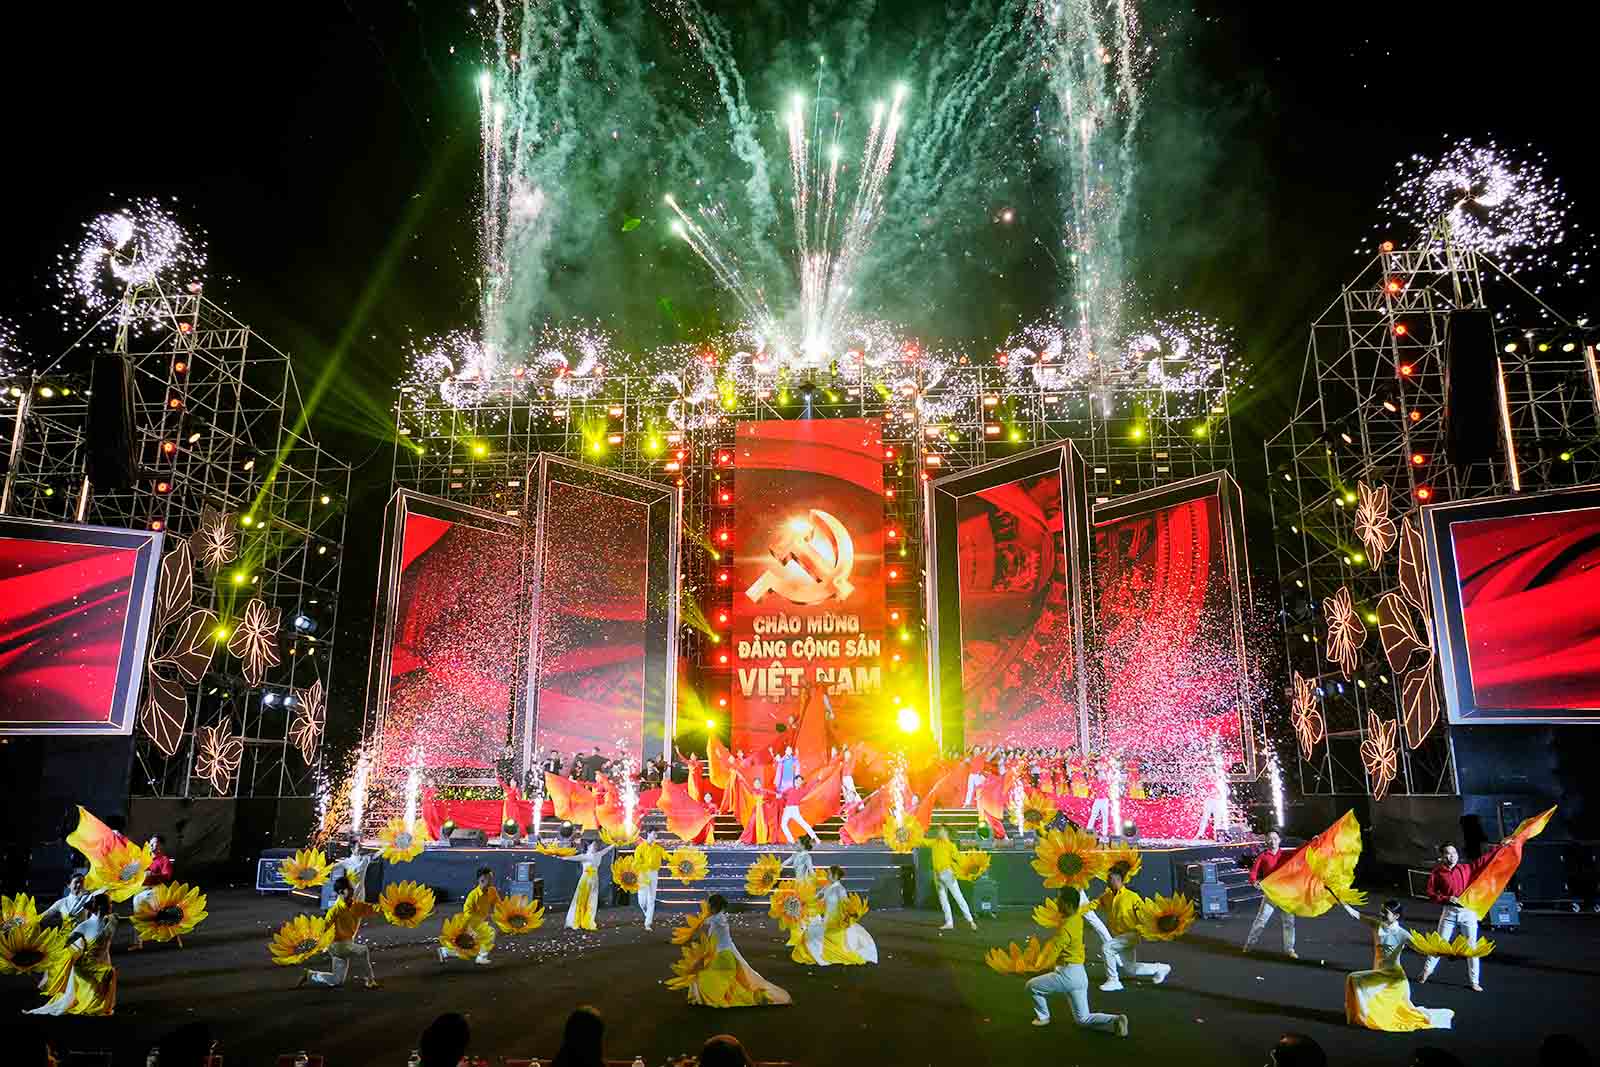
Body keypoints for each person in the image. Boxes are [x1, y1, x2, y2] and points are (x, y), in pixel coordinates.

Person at [1025, 887, 1129, 1037]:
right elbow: (1087, 907)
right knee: (1083, 1019)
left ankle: (1043, 1017)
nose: (1057, 902)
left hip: (1066, 975)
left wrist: (1034, 967)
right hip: (1079, 975)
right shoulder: (1077, 916)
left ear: (1067, 905)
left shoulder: (1065, 929)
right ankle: (1116, 1020)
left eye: (1059, 900)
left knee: (1031, 986)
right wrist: (1099, 900)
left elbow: (1052, 953)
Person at [1341, 898, 1452, 1031]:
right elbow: (1357, 915)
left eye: (1385, 912)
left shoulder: (1402, 934)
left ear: (1396, 916)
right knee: (1354, 980)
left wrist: (1447, 953)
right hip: (1379, 972)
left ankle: (1364, 1016)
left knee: (1354, 978)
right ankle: (1361, 1015)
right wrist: (1341, 900)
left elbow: (1422, 949)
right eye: (1381, 911)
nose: (1381, 914)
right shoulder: (1377, 925)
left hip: (1393, 976)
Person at [675, 893, 792, 1007]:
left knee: (700, 975)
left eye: (709, 906)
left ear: (714, 907)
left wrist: (695, 927)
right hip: (724, 956)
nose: (707, 908)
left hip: (722, 957)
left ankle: (703, 998)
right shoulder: (718, 918)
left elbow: (706, 923)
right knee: (716, 979)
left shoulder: (718, 919)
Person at [1419, 841, 1495, 991]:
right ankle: (1427, 971)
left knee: (1472, 948)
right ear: (1442, 857)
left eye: (1454, 853)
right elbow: (1430, 893)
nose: (1452, 856)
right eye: (1448, 853)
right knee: (1439, 943)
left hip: (1468, 912)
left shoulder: (1466, 868)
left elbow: (1483, 860)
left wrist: (1501, 847)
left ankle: (1474, 981)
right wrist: (1447, 898)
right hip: (1449, 912)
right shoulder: (1437, 873)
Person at [1084, 862, 1171, 991]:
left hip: (1131, 934)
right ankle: (1161, 968)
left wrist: (1152, 926)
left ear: (1118, 879)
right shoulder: (1107, 896)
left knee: (1107, 948)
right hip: (1120, 936)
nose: (1107, 881)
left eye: (1110, 878)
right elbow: (1094, 904)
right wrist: (1077, 911)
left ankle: (1113, 980)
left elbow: (1144, 912)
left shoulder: (1131, 896)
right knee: (1131, 968)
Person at [28, 892, 118, 1015]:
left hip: (102, 962)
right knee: (108, 972)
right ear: (100, 906)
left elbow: (132, 920)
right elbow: (64, 943)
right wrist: (40, 952)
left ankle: (96, 1004)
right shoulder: (85, 926)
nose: (111, 906)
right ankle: (93, 1005)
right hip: (85, 965)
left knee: (108, 973)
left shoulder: (112, 920)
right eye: (109, 903)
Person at [299, 875, 380, 989]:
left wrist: (390, 907)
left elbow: (373, 909)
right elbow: (324, 927)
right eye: (350, 889)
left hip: (345, 945)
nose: (352, 891)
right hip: (336, 945)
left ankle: (310, 975)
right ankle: (370, 981)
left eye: (352, 888)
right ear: (341, 892)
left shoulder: (356, 906)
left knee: (337, 980)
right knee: (362, 951)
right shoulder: (335, 910)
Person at [1243, 830, 1298, 957]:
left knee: (1289, 922)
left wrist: (1313, 841)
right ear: (1266, 841)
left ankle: (1289, 950)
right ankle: (1249, 945)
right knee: (1261, 920)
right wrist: (1253, 881)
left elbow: (1300, 851)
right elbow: (1253, 871)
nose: (1272, 841)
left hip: (1285, 893)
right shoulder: (1263, 856)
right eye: (1270, 839)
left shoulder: (1285, 854)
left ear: (1279, 840)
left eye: (1275, 838)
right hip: (1270, 893)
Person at [438, 866, 498, 966]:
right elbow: (467, 914)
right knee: (472, 946)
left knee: (474, 945)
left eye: (491, 878)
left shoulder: (492, 891)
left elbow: (498, 905)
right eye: (489, 878)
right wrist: (470, 929)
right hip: (469, 923)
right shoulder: (473, 895)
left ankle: (445, 951)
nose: (491, 881)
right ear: (481, 880)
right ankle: (480, 957)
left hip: (480, 922)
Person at [129, 833, 174, 950]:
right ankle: (138, 942)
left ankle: (164, 928)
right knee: (137, 911)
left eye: (156, 844)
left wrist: (151, 875)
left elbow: (167, 876)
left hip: (156, 889)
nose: (153, 846)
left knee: (152, 912)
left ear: (161, 846)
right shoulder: (142, 860)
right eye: (151, 843)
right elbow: (127, 873)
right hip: (142, 891)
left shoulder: (164, 860)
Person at [928, 826, 977, 931]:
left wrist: (969, 867)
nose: (939, 832)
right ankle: (949, 923)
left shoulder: (951, 845)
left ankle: (970, 920)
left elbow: (959, 858)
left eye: (941, 830)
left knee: (958, 897)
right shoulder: (934, 842)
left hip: (948, 874)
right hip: (937, 875)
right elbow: (922, 841)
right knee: (943, 900)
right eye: (939, 830)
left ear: (946, 833)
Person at [562, 840, 614, 930]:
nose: (595, 847)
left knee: (592, 901)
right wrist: (559, 855)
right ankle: (575, 920)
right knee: (580, 900)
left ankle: (588, 920)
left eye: (596, 846)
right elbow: (570, 858)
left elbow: (608, 849)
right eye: (593, 845)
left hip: (594, 881)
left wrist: (615, 843)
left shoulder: (599, 854)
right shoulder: (584, 856)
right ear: (589, 847)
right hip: (585, 881)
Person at [633, 831, 668, 930]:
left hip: (653, 873)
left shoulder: (658, 848)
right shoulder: (640, 848)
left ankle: (648, 923)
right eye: (654, 833)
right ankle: (647, 915)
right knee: (642, 901)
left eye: (656, 834)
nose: (655, 836)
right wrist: (645, 866)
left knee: (651, 899)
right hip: (643, 874)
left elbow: (666, 856)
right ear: (648, 834)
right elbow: (636, 862)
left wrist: (675, 859)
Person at [779, 774, 820, 845]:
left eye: (799, 781)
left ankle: (815, 838)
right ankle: (791, 840)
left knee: (804, 824)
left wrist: (817, 779)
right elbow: (783, 794)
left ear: (801, 782)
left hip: (795, 809)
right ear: (794, 781)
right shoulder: (789, 789)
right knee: (783, 825)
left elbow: (810, 786)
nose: (798, 782)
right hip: (787, 809)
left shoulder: (803, 791)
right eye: (797, 780)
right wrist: (780, 796)